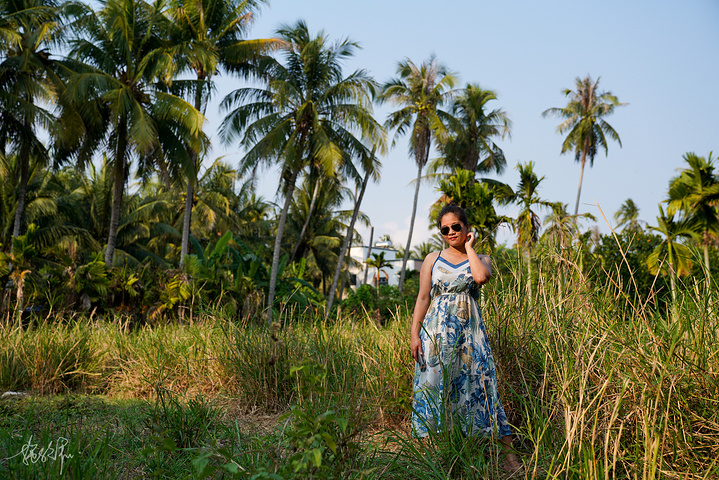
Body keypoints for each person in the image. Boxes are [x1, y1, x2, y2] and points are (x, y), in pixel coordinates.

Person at [410, 203, 521, 473]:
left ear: (466, 228)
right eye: (445, 229)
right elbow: (424, 297)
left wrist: (469, 247)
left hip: (470, 336)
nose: (450, 232)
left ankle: (510, 461)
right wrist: (414, 333)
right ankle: (436, 461)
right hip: (436, 335)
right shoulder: (432, 259)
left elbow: (481, 278)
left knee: (483, 388)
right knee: (433, 388)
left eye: (455, 227)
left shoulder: (480, 258)